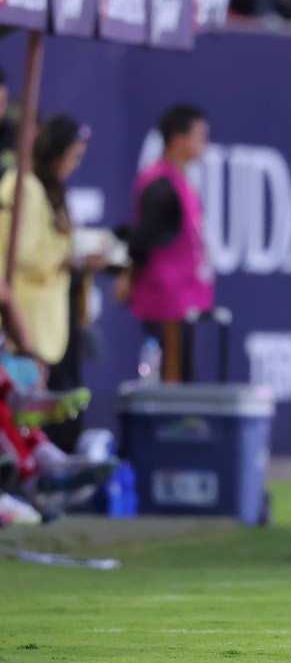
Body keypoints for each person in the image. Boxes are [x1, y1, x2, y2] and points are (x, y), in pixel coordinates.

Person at [0, 115, 103, 452]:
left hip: (40, 322)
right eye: (72, 156)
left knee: (37, 416)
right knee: (23, 413)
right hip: (24, 317)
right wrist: (68, 260)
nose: (74, 165)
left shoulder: (45, 190)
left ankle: (41, 475)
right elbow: (22, 254)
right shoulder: (23, 186)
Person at [115, 105, 214, 382]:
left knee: (183, 374)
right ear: (177, 138)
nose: (205, 143)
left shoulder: (180, 180)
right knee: (172, 383)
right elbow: (145, 236)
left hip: (183, 299)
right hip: (166, 299)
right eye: (199, 135)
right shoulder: (160, 184)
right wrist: (129, 277)